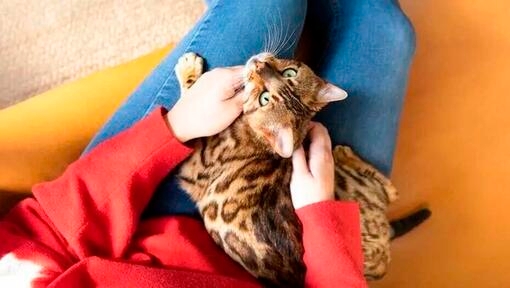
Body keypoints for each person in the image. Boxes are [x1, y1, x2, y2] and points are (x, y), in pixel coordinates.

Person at [0, 0, 415, 287]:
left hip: (147, 214)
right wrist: (320, 218)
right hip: (288, 254)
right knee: (389, 31)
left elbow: (46, 231)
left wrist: (176, 127)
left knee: (270, 8)